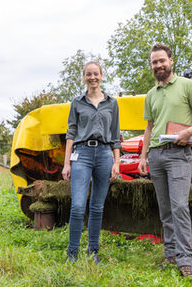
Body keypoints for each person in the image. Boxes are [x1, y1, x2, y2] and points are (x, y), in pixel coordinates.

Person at [138, 44, 192, 280]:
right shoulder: (151, 94)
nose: (158, 65)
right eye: (154, 62)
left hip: (179, 154)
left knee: (179, 206)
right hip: (157, 156)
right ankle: (170, 254)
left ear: (171, 61)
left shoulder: (187, 85)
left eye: (161, 61)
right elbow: (149, 127)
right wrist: (143, 155)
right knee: (165, 208)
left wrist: (189, 132)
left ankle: (185, 260)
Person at [62, 61, 121, 264]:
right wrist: (67, 163)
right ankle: (72, 253)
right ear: (84, 77)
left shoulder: (112, 103)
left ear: (102, 75)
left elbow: (115, 135)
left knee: (97, 207)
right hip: (82, 154)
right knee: (78, 206)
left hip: (105, 154)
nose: (93, 77)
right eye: (89, 74)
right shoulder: (77, 103)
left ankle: (93, 251)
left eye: (96, 74)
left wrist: (116, 162)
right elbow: (71, 132)